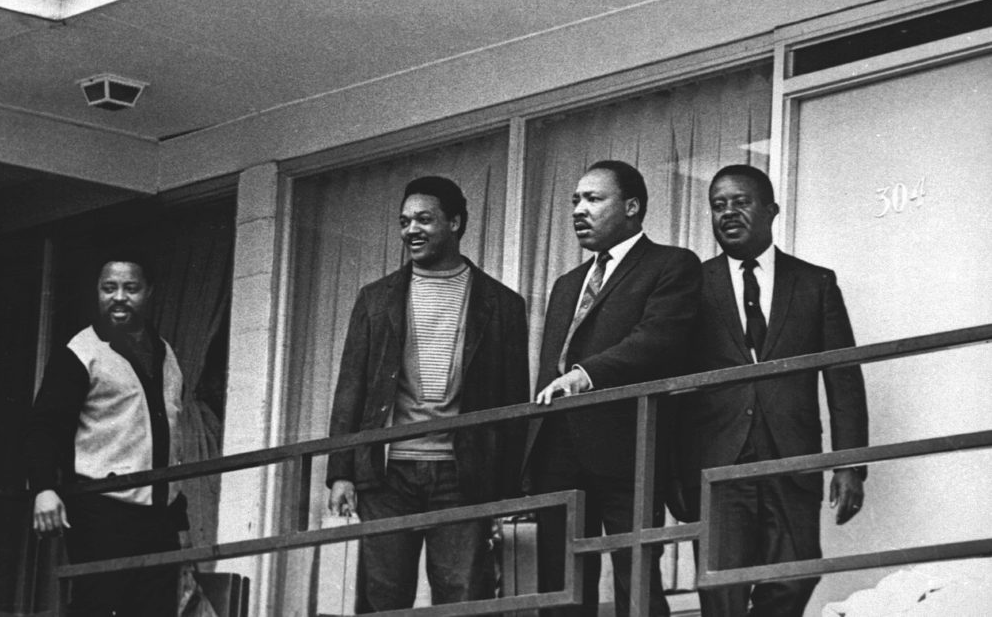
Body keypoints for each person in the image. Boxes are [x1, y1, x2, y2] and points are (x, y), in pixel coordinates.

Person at [325, 176, 529, 611]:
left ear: (455, 222)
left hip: (464, 475)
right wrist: (341, 471)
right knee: (384, 598)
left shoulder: (503, 304)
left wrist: (507, 491)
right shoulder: (375, 299)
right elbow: (351, 390)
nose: (410, 230)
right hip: (387, 474)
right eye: (404, 221)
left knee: (462, 597)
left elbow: (513, 402)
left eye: (424, 219)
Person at [673, 165, 868, 617]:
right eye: (718, 205)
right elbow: (673, 386)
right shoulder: (690, 286)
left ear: (771, 210)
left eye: (740, 201)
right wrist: (674, 476)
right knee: (721, 589)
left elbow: (842, 376)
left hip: (792, 455)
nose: (727, 213)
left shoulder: (815, 282)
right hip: (718, 463)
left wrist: (849, 464)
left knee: (795, 574)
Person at [525, 160, 701, 616]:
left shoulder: (671, 265)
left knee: (636, 582)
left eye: (593, 199)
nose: (579, 210)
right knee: (560, 589)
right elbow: (550, 369)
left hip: (630, 451)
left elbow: (658, 340)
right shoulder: (566, 284)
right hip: (558, 452)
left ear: (632, 206)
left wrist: (587, 375)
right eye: (574, 201)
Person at [26, 254, 188, 617]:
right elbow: (44, 426)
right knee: (98, 607)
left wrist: (179, 511)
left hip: (159, 515)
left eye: (130, 288)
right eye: (108, 288)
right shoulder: (81, 353)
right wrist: (42, 488)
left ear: (149, 292)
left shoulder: (166, 353)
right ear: (97, 293)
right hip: (102, 510)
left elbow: (168, 432)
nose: (119, 297)